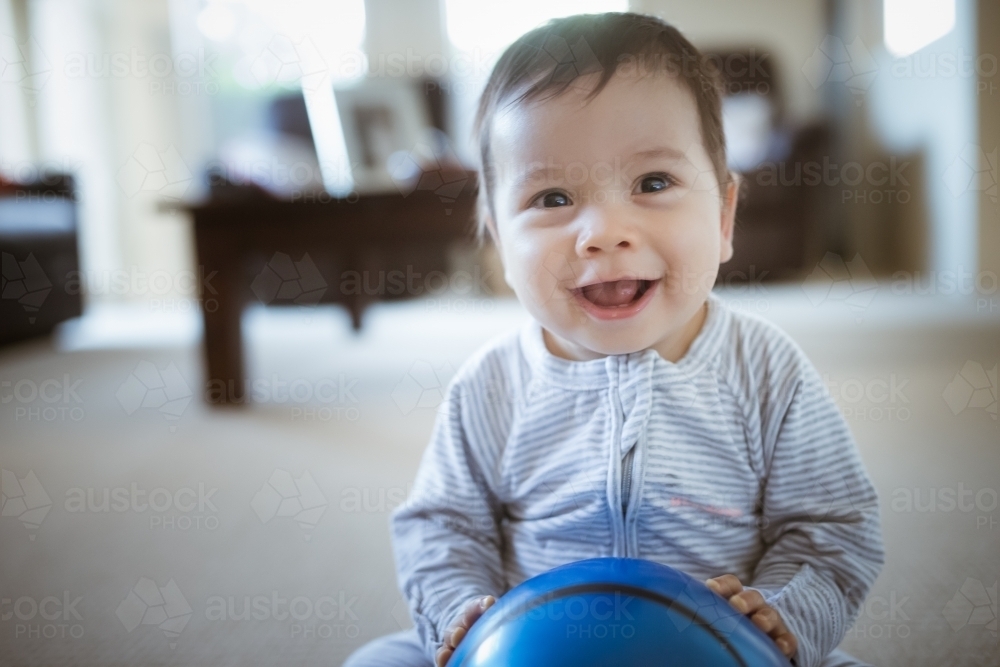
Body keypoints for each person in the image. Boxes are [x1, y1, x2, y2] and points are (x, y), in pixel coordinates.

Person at [343, 12, 884, 667]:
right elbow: (441, 525)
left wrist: (785, 614)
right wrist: (460, 614)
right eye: (551, 197)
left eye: (652, 183)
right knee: (378, 660)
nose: (603, 231)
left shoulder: (767, 371)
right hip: (529, 651)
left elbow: (831, 525)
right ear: (497, 241)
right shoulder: (491, 384)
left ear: (722, 216)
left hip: (724, 654)